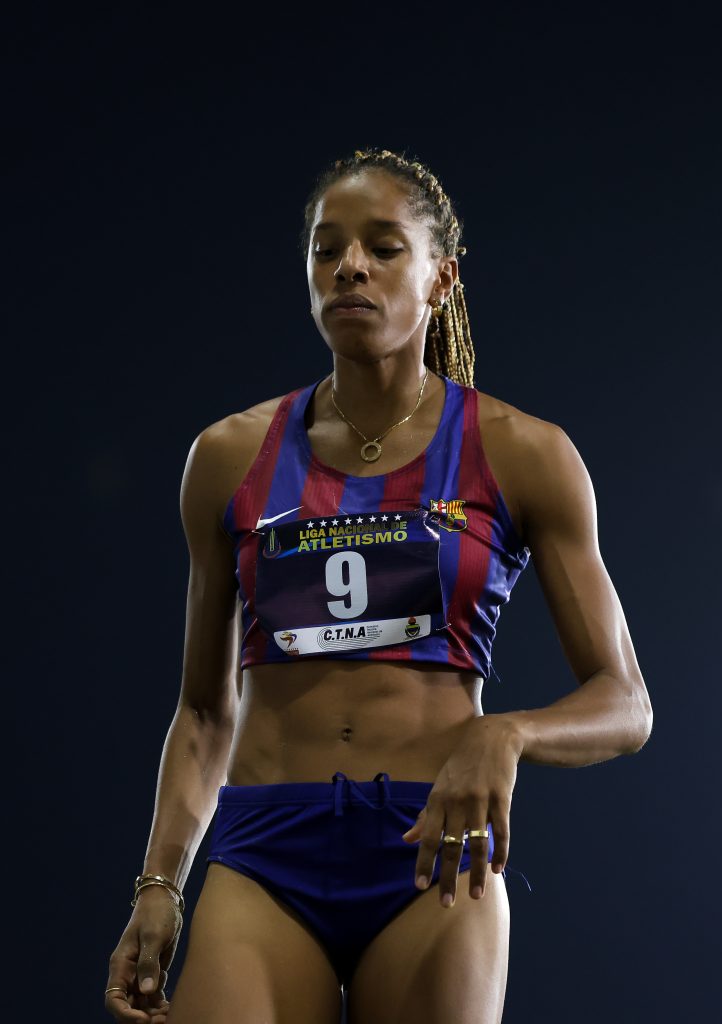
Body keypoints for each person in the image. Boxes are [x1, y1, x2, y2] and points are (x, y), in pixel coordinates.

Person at [104, 147, 653, 1024]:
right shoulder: (228, 456)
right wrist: (159, 886)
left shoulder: (523, 453)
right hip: (266, 850)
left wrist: (505, 735)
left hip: (432, 851)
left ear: (442, 277)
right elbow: (204, 714)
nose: (350, 266)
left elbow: (626, 703)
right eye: (327, 249)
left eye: (384, 247)